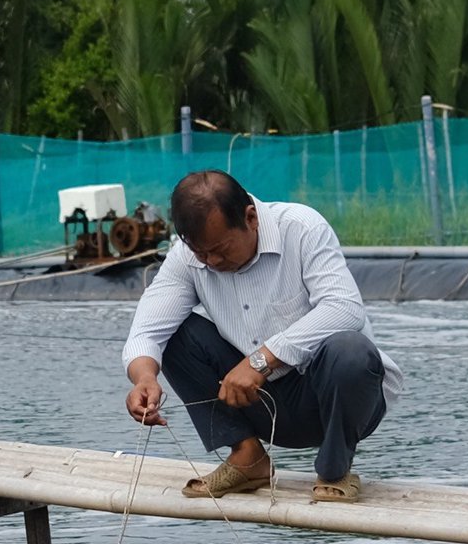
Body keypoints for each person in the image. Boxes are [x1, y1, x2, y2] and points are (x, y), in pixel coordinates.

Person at [121, 169, 400, 502]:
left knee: (351, 349)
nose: (210, 261)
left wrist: (260, 361)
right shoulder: (188, 257)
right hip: (260, 405)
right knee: (177, 334)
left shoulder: (302, 228)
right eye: (200, 253)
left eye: (220, 249)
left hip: (338, 402)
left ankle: (335, 470)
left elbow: (345, 309)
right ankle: (247, 454)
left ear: (250, 218)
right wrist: (144, 378)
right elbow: (148, 330)